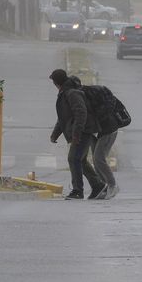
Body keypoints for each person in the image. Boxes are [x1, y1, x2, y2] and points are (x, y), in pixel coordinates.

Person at [49, 69, 106, 200]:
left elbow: (81, 113)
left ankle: (77, 191)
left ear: (56, 82)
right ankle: (98, 186)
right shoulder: (66, 92)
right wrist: (55, 134)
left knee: (73, 158)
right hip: (82, 131)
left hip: (84, 131)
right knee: (81, 160)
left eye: (53, 81)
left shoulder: (72, 93)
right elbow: (64, 118)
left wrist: (76, 134)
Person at [91, 98, 120, 200]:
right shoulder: (75, 95)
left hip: (107, 130)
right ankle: (105, 186)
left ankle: (112, 185)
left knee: (99, 158)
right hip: (96, 130)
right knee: (96, 160)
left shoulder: (75, 96)